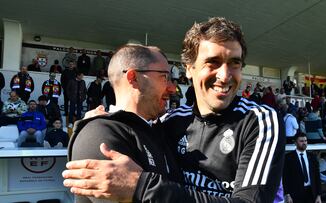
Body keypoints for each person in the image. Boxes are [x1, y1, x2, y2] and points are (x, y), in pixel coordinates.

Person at [63, 17, 285, 202]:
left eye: (235, 63)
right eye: (213, 62)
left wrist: (142, 186)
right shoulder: (170, 121)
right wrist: (94, 124)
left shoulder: (260, 120)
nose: (225, 75)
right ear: (189, 69)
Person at [68, 44, 185, 203]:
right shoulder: (99, 134)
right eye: (164, 77)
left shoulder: (160, 129)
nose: (172, 88)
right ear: (133, 78)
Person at [283, 133, 322, 203]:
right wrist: (287, 194)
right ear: (295, 143)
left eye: (305, 141)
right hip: (295, 194)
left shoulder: (312, 157)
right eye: (301, 141)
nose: (304, 143)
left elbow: (317, 176)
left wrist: (319, 195)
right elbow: (285, 177)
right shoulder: (288, 158)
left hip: (311, 192)